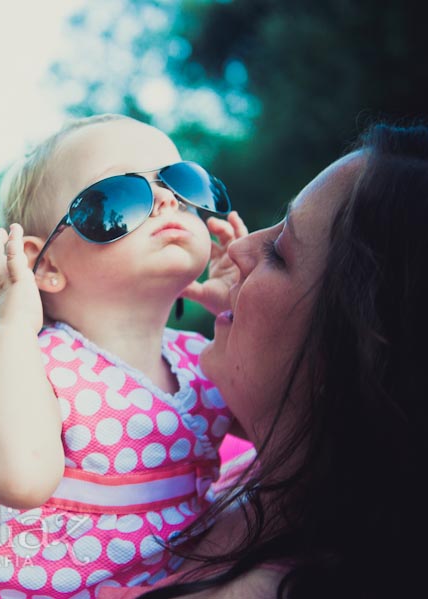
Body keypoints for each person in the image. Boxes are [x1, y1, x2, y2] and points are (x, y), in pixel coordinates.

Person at [0, 114, 249, 598]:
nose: (169, 200)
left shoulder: (202, 359)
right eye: (121, 197)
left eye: (181, 181)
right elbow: (18, 477)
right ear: (43, 265)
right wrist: (11, 325)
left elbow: (287, 433)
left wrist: (243, 309)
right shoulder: (42, 366)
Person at [99, 122, 428, 599]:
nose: (236, 247)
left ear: (354, 350)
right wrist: (242, 318)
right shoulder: (245, 464)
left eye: (278, 251)